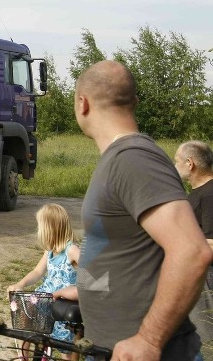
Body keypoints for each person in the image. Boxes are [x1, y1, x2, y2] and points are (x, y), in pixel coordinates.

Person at [74, 60, 212, 361]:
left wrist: (148, 340)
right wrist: (84, 290)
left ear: (82, 104)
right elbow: (127, 252)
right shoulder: (119, 159)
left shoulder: (133, 159)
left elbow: (192, 252)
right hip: (109, 348)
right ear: (134, 102)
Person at [8, 203, 80, 359]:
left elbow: (92, 272)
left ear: (50, 229)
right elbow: (37, 272)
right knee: (25, 326)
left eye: (41, 227)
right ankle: (23, 358)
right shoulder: (50, 251)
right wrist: (20, 284)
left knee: (65, 346)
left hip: (62, 305)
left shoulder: (72, 250)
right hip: (45, 300)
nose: (39, 232)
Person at [175, 140, 213, 348]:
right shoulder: (197, 193)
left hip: (206, 278)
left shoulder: (210, 195)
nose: (175, 165)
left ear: (190, 163)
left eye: (177, 160)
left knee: (206, 339)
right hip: (195, 275)